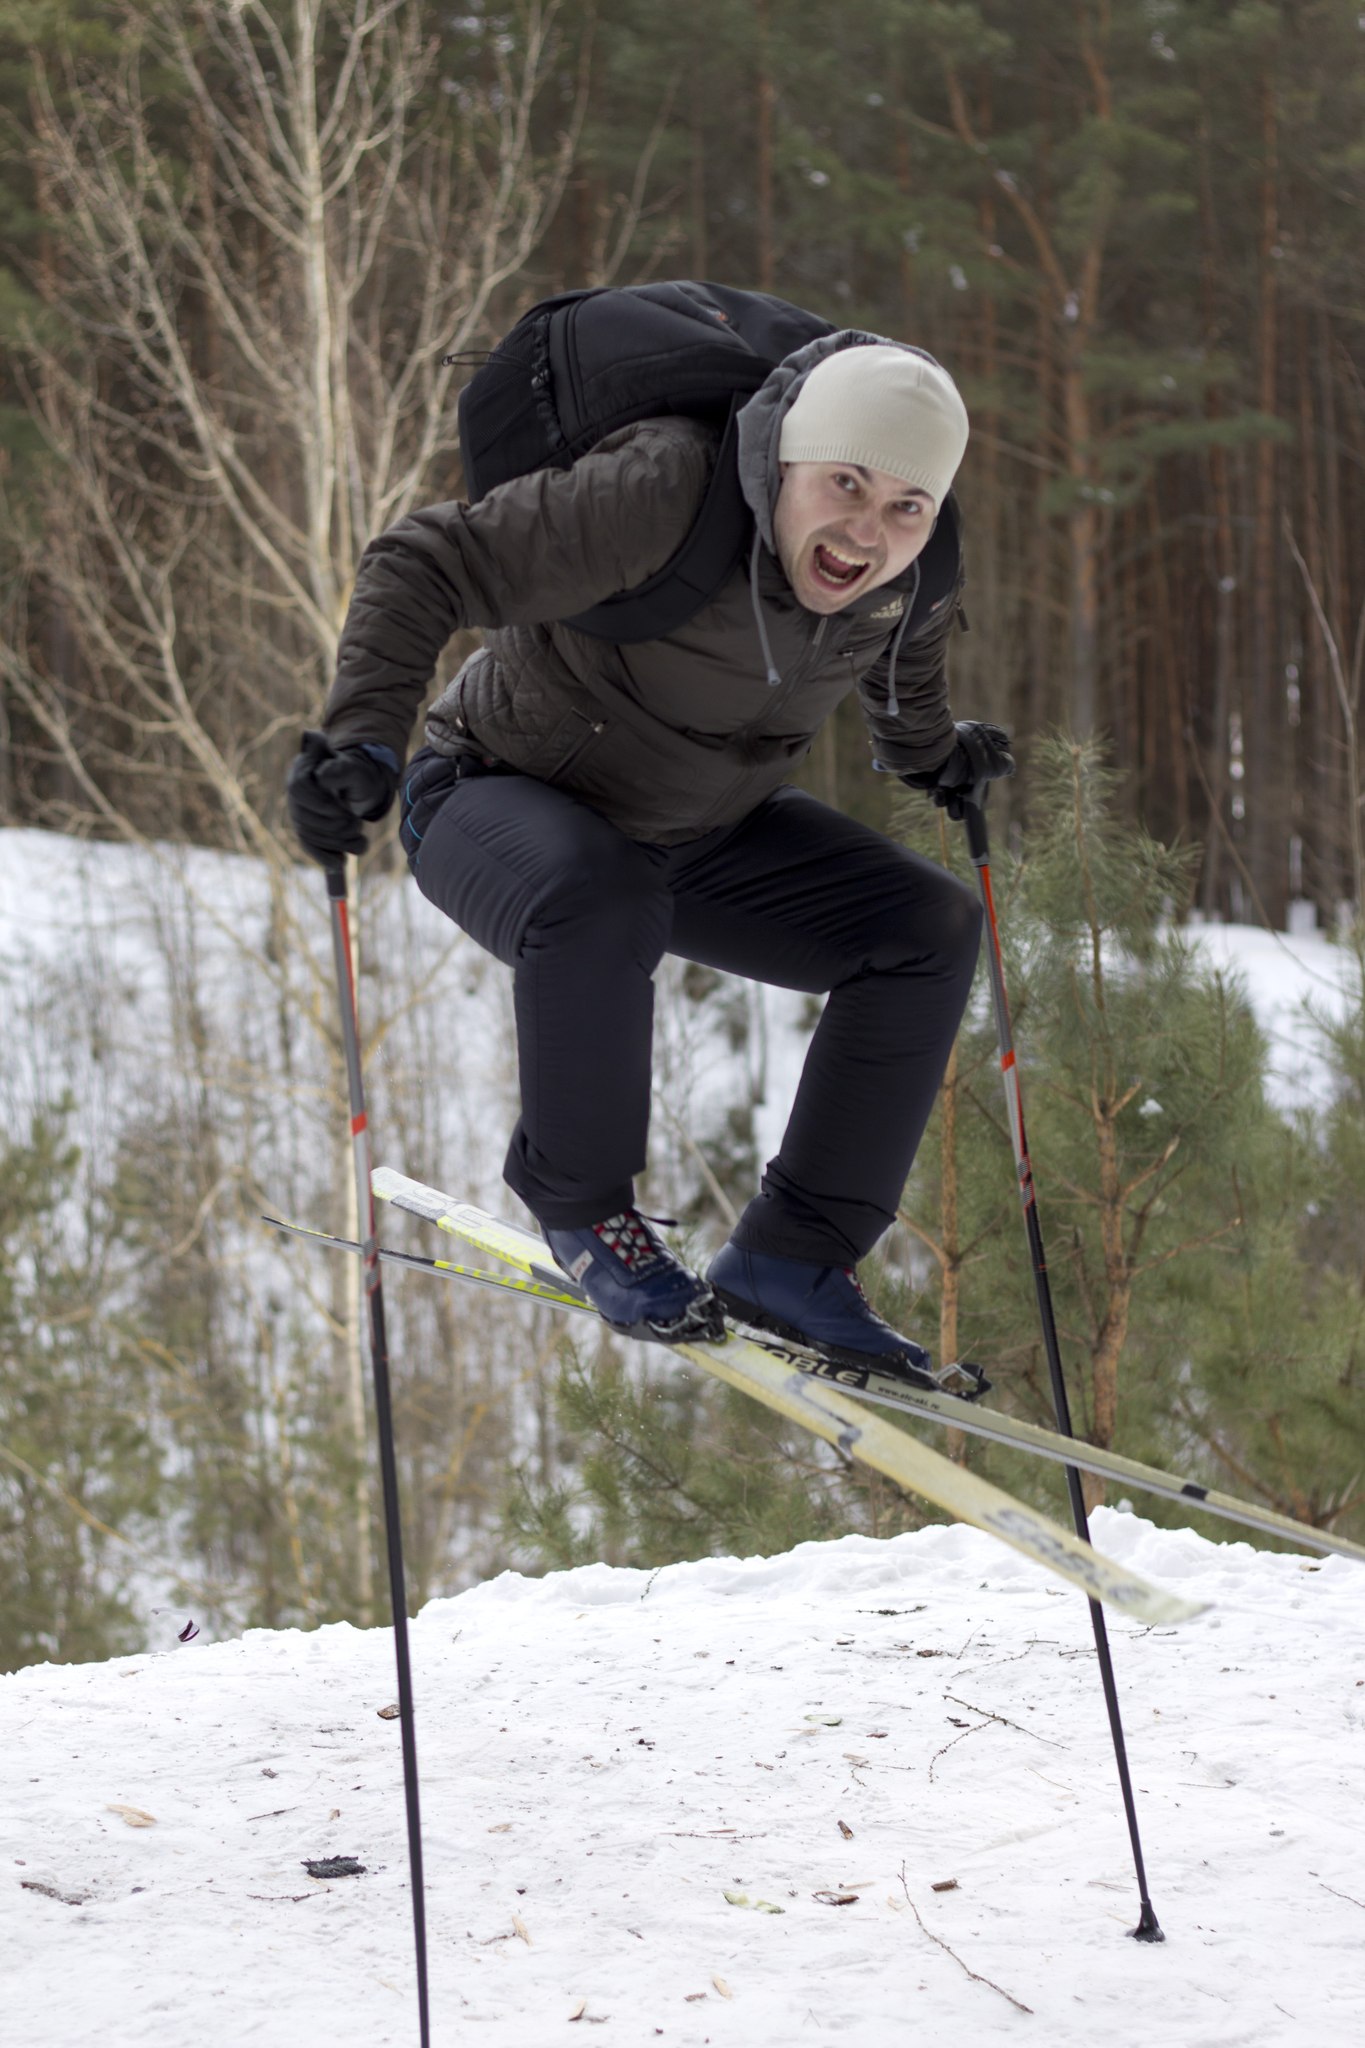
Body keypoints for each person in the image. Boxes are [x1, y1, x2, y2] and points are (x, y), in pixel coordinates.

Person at [287, 331, 1013, 1393]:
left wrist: (937, 757)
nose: (868, 530)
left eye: (907, 504)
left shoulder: (918, 567)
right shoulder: (666, 493)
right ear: (788, 458)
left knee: (927, 929)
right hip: (491, 790)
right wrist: (362, 737)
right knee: (601, 893)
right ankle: (582, 1206)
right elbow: (425, 557)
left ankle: (791, 1258)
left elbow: (902, 682)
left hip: (694, 832)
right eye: (846, 483)